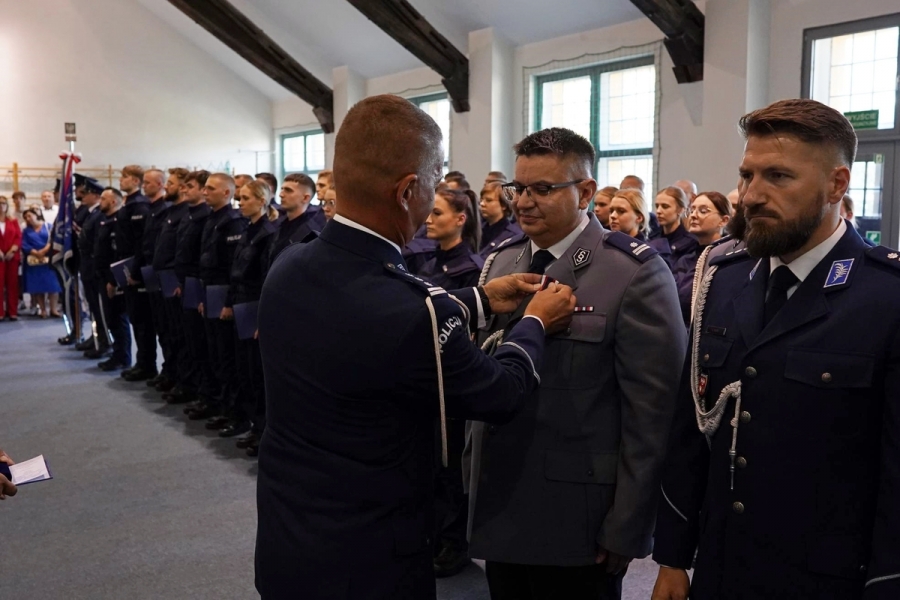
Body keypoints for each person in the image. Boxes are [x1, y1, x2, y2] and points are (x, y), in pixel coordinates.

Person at [255, 94, 576, 600]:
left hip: (289, 537)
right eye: (435, 182)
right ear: (407, 191)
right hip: (371, 556)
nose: (433, 200)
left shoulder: (291, 266)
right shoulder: (411, 307)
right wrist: (534, 323)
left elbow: (373, 326)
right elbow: (500, 393)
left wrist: (478, 299)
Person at [651, 98, 900, 600]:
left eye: (779, 177)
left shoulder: (886, 297)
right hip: (722, 569)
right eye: (747, 175)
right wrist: (674, 557)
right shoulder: (725, 281)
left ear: (837, 185)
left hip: (826, 579)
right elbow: (691, 429)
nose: (751, 196)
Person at [468, 127, 686, 600]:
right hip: (500, 503)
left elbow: (652, 415)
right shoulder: (502, 263)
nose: (523, 201)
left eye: (542, 189)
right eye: (518, 188)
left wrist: (628, 525)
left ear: (586, 192)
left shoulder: (633, 272)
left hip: (578, 519)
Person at [191, 173, 247, 437]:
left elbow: (231, 268)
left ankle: (234, 413)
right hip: (209, 292)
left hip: (223, 296)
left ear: (227, 193)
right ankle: (219, 404)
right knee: (213, 354)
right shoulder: (211, 219)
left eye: (211, 188)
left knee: (227, 358)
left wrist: (227, 302)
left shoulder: (233, 223)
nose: (205, 192)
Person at [228, 180, 279, 457]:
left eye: (246, 198)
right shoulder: (248, 230)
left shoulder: (268, 233)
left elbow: (264, 278)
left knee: (257, 373)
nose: (240, 202)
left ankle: (262, 430)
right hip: (240, 302)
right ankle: (251, 425)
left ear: (261, 201)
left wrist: (262, 318)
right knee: (244, 369)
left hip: (253, 305)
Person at [168, 170, 217, 408]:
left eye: (190, 186)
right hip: (185, 285)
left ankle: (206, 392)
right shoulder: (189, 215)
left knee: (201, 344)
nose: (185, 190)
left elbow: (201, 258)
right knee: (188, 340)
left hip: (198, 286)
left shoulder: (206, 216)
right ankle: (194, 386)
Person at [125, 168, 171, 383]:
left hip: (155, 273)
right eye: (144, 183)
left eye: (149, 183)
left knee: (157, 325)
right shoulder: (153, 209)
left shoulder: (162, 209)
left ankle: (160, 368)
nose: (145, 186)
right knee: (147, 323)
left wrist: (137, 272)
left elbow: (151, 247)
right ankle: (148, 364)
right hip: (146, 271)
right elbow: (142, 244)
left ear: (161, 184)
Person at [150, 168, 191, 390]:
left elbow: (182, 252)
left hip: (174, 279)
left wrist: (178, 280)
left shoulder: (186, 213)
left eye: (172, 183)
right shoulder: (170, 211)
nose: (167, 186)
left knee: (179, 334)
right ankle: (171, 371)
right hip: (161, 277)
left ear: (183, 188)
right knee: (165, 330)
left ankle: (183, 379)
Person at [116, 165, 157, 382]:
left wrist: (135, 270)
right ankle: (142, 362)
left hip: (137, 268)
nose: (120, 181)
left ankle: (147, 364)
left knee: (143, 320)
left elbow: (141, 243)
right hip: (128, 266)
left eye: (124, 177)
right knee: (136, 318)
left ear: (135, 181)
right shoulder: (128, 205)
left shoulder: (140, 207)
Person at [670, 192, 732, 325]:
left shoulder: (729, 260)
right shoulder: (685, 259)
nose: (693, 215)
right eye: (692, 210)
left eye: (703, 211)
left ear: (724, 220)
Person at [94, 188, 132, 371]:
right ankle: (118, 353)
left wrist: (113, 280)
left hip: (113, 278)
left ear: (114, 202)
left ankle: (122, 356)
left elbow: (117, 255)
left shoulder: (118, 223)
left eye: (103, 199)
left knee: (118, 318)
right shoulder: (106, 222)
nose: (100, 201)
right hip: (103, 277)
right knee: (111, 318)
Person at [75, 179, 109, 358]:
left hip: (94, 267)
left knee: (99, 307)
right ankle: (97, 337)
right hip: (87, 266)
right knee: (93, 306)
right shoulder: (89, 214)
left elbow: (97, 243)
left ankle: (103, 341)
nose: (82, 195)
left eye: (86, 192)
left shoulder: (99, 214)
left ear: (95, 195)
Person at [268, 173, 326, 265]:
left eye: (288, 190)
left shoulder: (310, 233)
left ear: (305, 198)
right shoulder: (278, 225)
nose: (281, 194)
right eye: (282, 189)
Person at [21, 208, 61, 318]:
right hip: (33, 261)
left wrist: (44, 250)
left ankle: (53, 309)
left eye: (29, 216)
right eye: (25, 218)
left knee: (53, 286)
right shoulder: (26, 231)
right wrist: (35, 252)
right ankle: (42, 310)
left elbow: (53, 239)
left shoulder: (48, 226)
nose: (28, 219)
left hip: (48, 259)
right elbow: (23, 244)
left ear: (36, 215)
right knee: (38, 286)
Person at [652, 186, 699, 266]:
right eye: (657, 206)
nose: (659, 211)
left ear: (680, 210)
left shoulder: (691, 242)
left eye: (665, 206)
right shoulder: (651, 238)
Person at [479, 182, 523, 259]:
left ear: (504, 205)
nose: (482, 204)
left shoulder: (513, 235)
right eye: (482, 199)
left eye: (488, 200)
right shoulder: (479, 229)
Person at [0, 197, 22, 321]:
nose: (1, 206)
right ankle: (0, 312)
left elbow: (18, 236)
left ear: (7, 206)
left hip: (12, 257)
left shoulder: (13, 221)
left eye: (3, 203)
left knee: (12, 284)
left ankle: (12, 311)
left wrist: (13, 250)